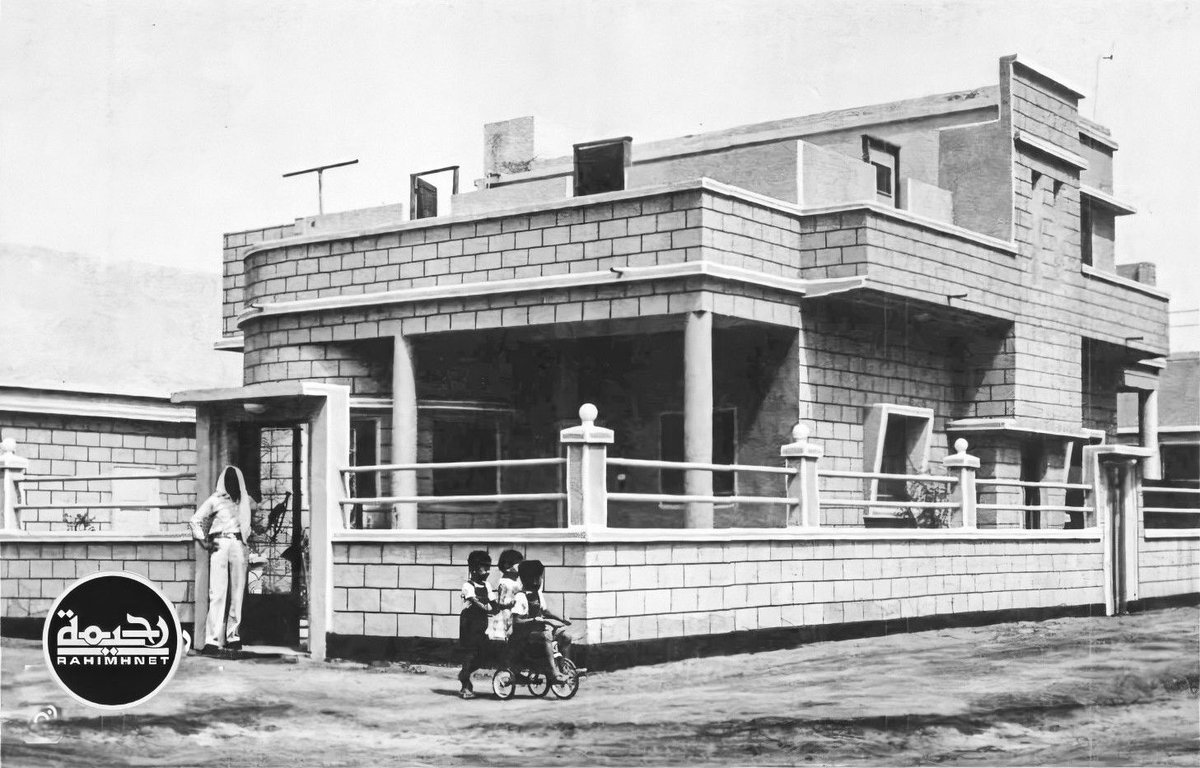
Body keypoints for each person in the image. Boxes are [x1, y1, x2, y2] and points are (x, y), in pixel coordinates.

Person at [189, 465, 255, 655]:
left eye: (235, 479)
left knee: (237, 594)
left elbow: (252, 521)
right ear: (224, 481)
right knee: (217, 593)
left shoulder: (245, 501)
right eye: (229, 479)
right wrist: (204, 542)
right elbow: (195, 520)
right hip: (220, 543)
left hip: (239, 545)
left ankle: (233, 637)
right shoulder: (215, 499)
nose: (232, 483)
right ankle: (212, 640)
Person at [511, 559, 572, 684]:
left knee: (566, 636)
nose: (536, 582)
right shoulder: (520, 597)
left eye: (538, 578)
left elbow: (545, 611)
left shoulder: (538, 595)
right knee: (546, 636)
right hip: (524, 636)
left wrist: (561, 619)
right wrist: (533, 620)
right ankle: (553, 673)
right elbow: (516, 621)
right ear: (524, 579)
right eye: (532, 579)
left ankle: (564, 667)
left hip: (538, 633)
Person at [457, 550, 497, 699]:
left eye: (489, 567)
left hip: (482, 623)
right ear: (474, 568)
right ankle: (465, 685)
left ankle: (464, 673)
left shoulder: (487, 585)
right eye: (484, 567)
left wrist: (502, 607)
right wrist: (488, 609)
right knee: (470, 653)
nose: (488, 571)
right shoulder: (468, 586)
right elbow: (475, 602)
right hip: (469, 623)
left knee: (483, 654)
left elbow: (493, 602)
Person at [487, 549, 524, 643]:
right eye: (518, 564)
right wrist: (511, 603)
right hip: (507, 614)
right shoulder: (505, 582)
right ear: (507, 565)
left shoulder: (516, 581)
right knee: (506, 634)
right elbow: (501, 602)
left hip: (514, 613)